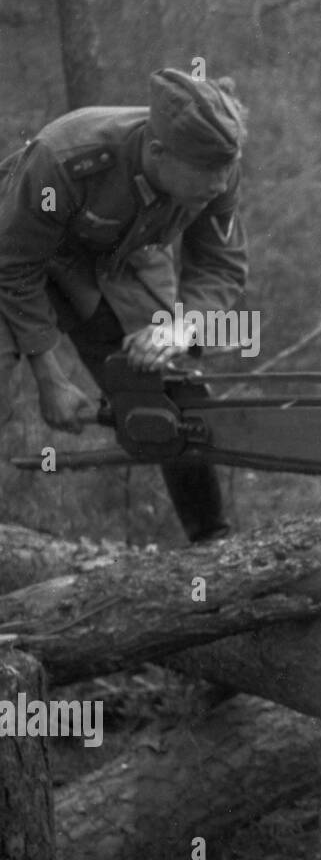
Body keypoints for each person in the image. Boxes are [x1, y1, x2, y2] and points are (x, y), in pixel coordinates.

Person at [0, 68, 249, 543]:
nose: (220, 185)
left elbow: (220, 264)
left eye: (225, 172)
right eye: (208, 176)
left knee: (166, 382)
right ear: (157, 153)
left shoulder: (216, 165)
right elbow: (14, 265)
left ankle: (212, 543)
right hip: (18, 254)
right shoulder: (67, 157)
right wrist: (49, 377)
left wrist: (181, 327)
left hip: (120, 259)